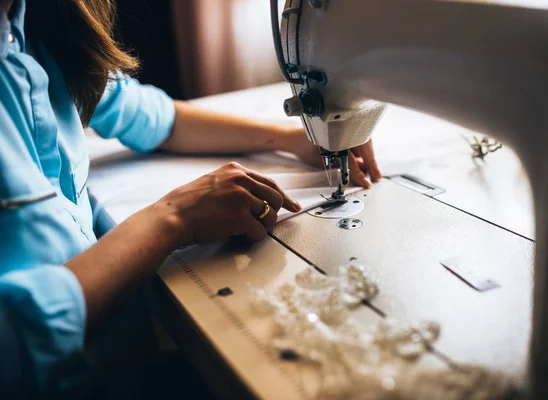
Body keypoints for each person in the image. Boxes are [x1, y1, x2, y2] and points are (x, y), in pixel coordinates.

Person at [0, 0, 382, 397]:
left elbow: (154, 117)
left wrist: (292, 137)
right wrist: (171, 217)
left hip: (119, 353)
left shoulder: (38, 24)